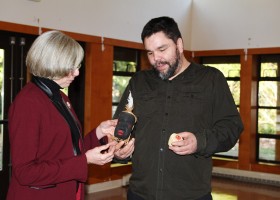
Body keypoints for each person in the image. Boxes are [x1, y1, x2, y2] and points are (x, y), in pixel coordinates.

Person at [113, 16, 244, 200]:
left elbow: (231, 127)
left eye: (162, 49)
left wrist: (200, 142)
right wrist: (119, 150)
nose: (156, 59)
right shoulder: (139, 82)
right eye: (149, 53)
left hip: (191, 195)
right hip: (140, 194)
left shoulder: (211, 79)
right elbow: (120, 128)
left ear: (179, 45)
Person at [7, 30, 118, 200]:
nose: (77, 73)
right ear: (52, 64)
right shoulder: (28, 103)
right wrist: (84, 161)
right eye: (70, 68)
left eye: (77, 66)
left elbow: (67, 149)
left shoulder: (60, 97)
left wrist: (99, 133)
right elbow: (25, 172)